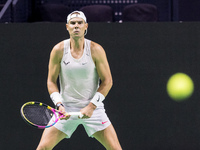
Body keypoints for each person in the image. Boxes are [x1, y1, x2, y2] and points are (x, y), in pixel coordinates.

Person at [36, 11, 122, 150]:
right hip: (66, 109)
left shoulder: (96, 49)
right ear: (67, 27)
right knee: (43, 148)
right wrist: (59, 104)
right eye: (73, 23)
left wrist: (91, 106)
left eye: (80, 23)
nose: (76, 26)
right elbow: (51, 81)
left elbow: (108, 81)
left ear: (86, 26)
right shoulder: (58, 50)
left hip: (93, 108)